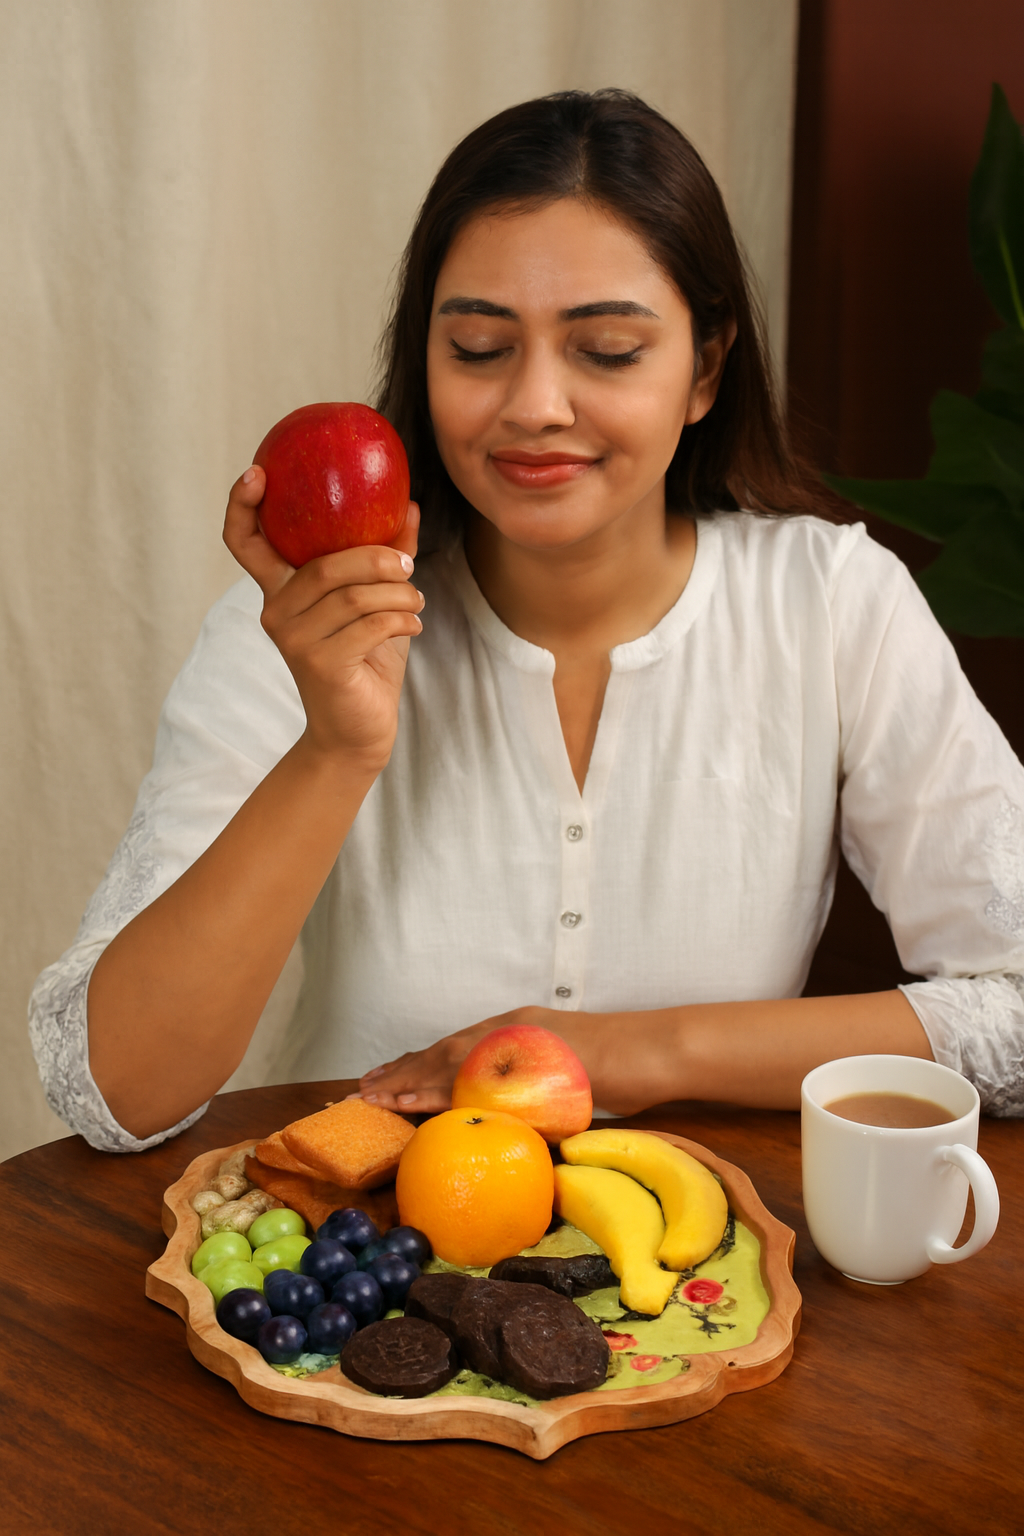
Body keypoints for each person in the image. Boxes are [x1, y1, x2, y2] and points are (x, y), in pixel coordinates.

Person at [29, 90, 1024, 1152]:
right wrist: (336, 747)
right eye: (476, 347)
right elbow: (110, 1092)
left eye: (604, 350)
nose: (534, 405)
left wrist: (627, 1051)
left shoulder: (830, 604)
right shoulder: (301, 626)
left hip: (701, 1272)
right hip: (348, 1271)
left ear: (706, 369)